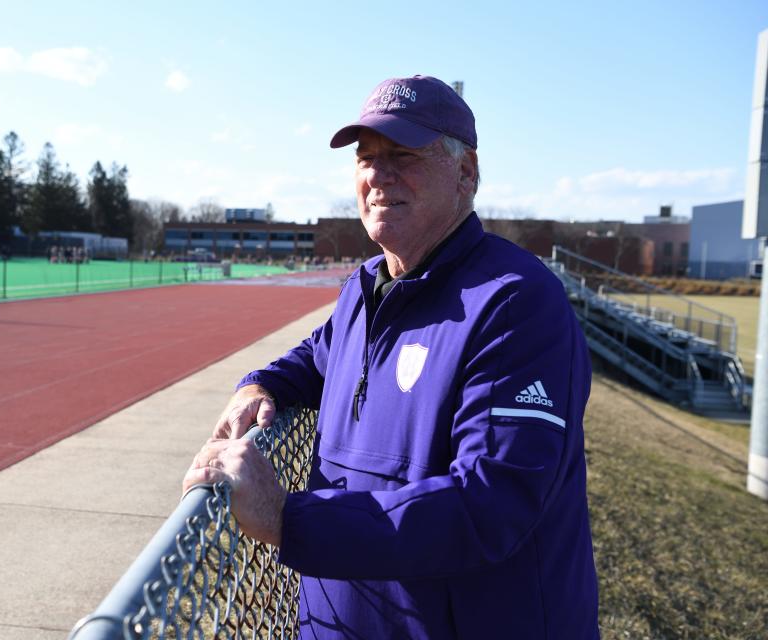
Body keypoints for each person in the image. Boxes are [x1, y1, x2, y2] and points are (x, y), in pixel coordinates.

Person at [183, 75, 599, 639]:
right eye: (366, 157)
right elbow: (322, 356)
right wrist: (263, 385)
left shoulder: (514, 302)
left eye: (403, 155)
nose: (378, 175)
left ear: (466, 173)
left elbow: (492, 504)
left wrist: (288, 517)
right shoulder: (367, 287)